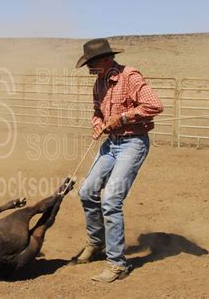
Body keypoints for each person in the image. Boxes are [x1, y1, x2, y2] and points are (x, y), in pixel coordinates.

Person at [73, 38, 163, 283]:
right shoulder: (99, 83)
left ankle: (117, 264)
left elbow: (154, 105)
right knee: (87, 191)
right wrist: (98, 124)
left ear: (106, 59)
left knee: (111, 199)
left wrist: (122, 118)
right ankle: (96, 242)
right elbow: (97, 110)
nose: (89, 68)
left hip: (133, 143)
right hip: (111, 143)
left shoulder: (130, 76)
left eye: (92, 63)